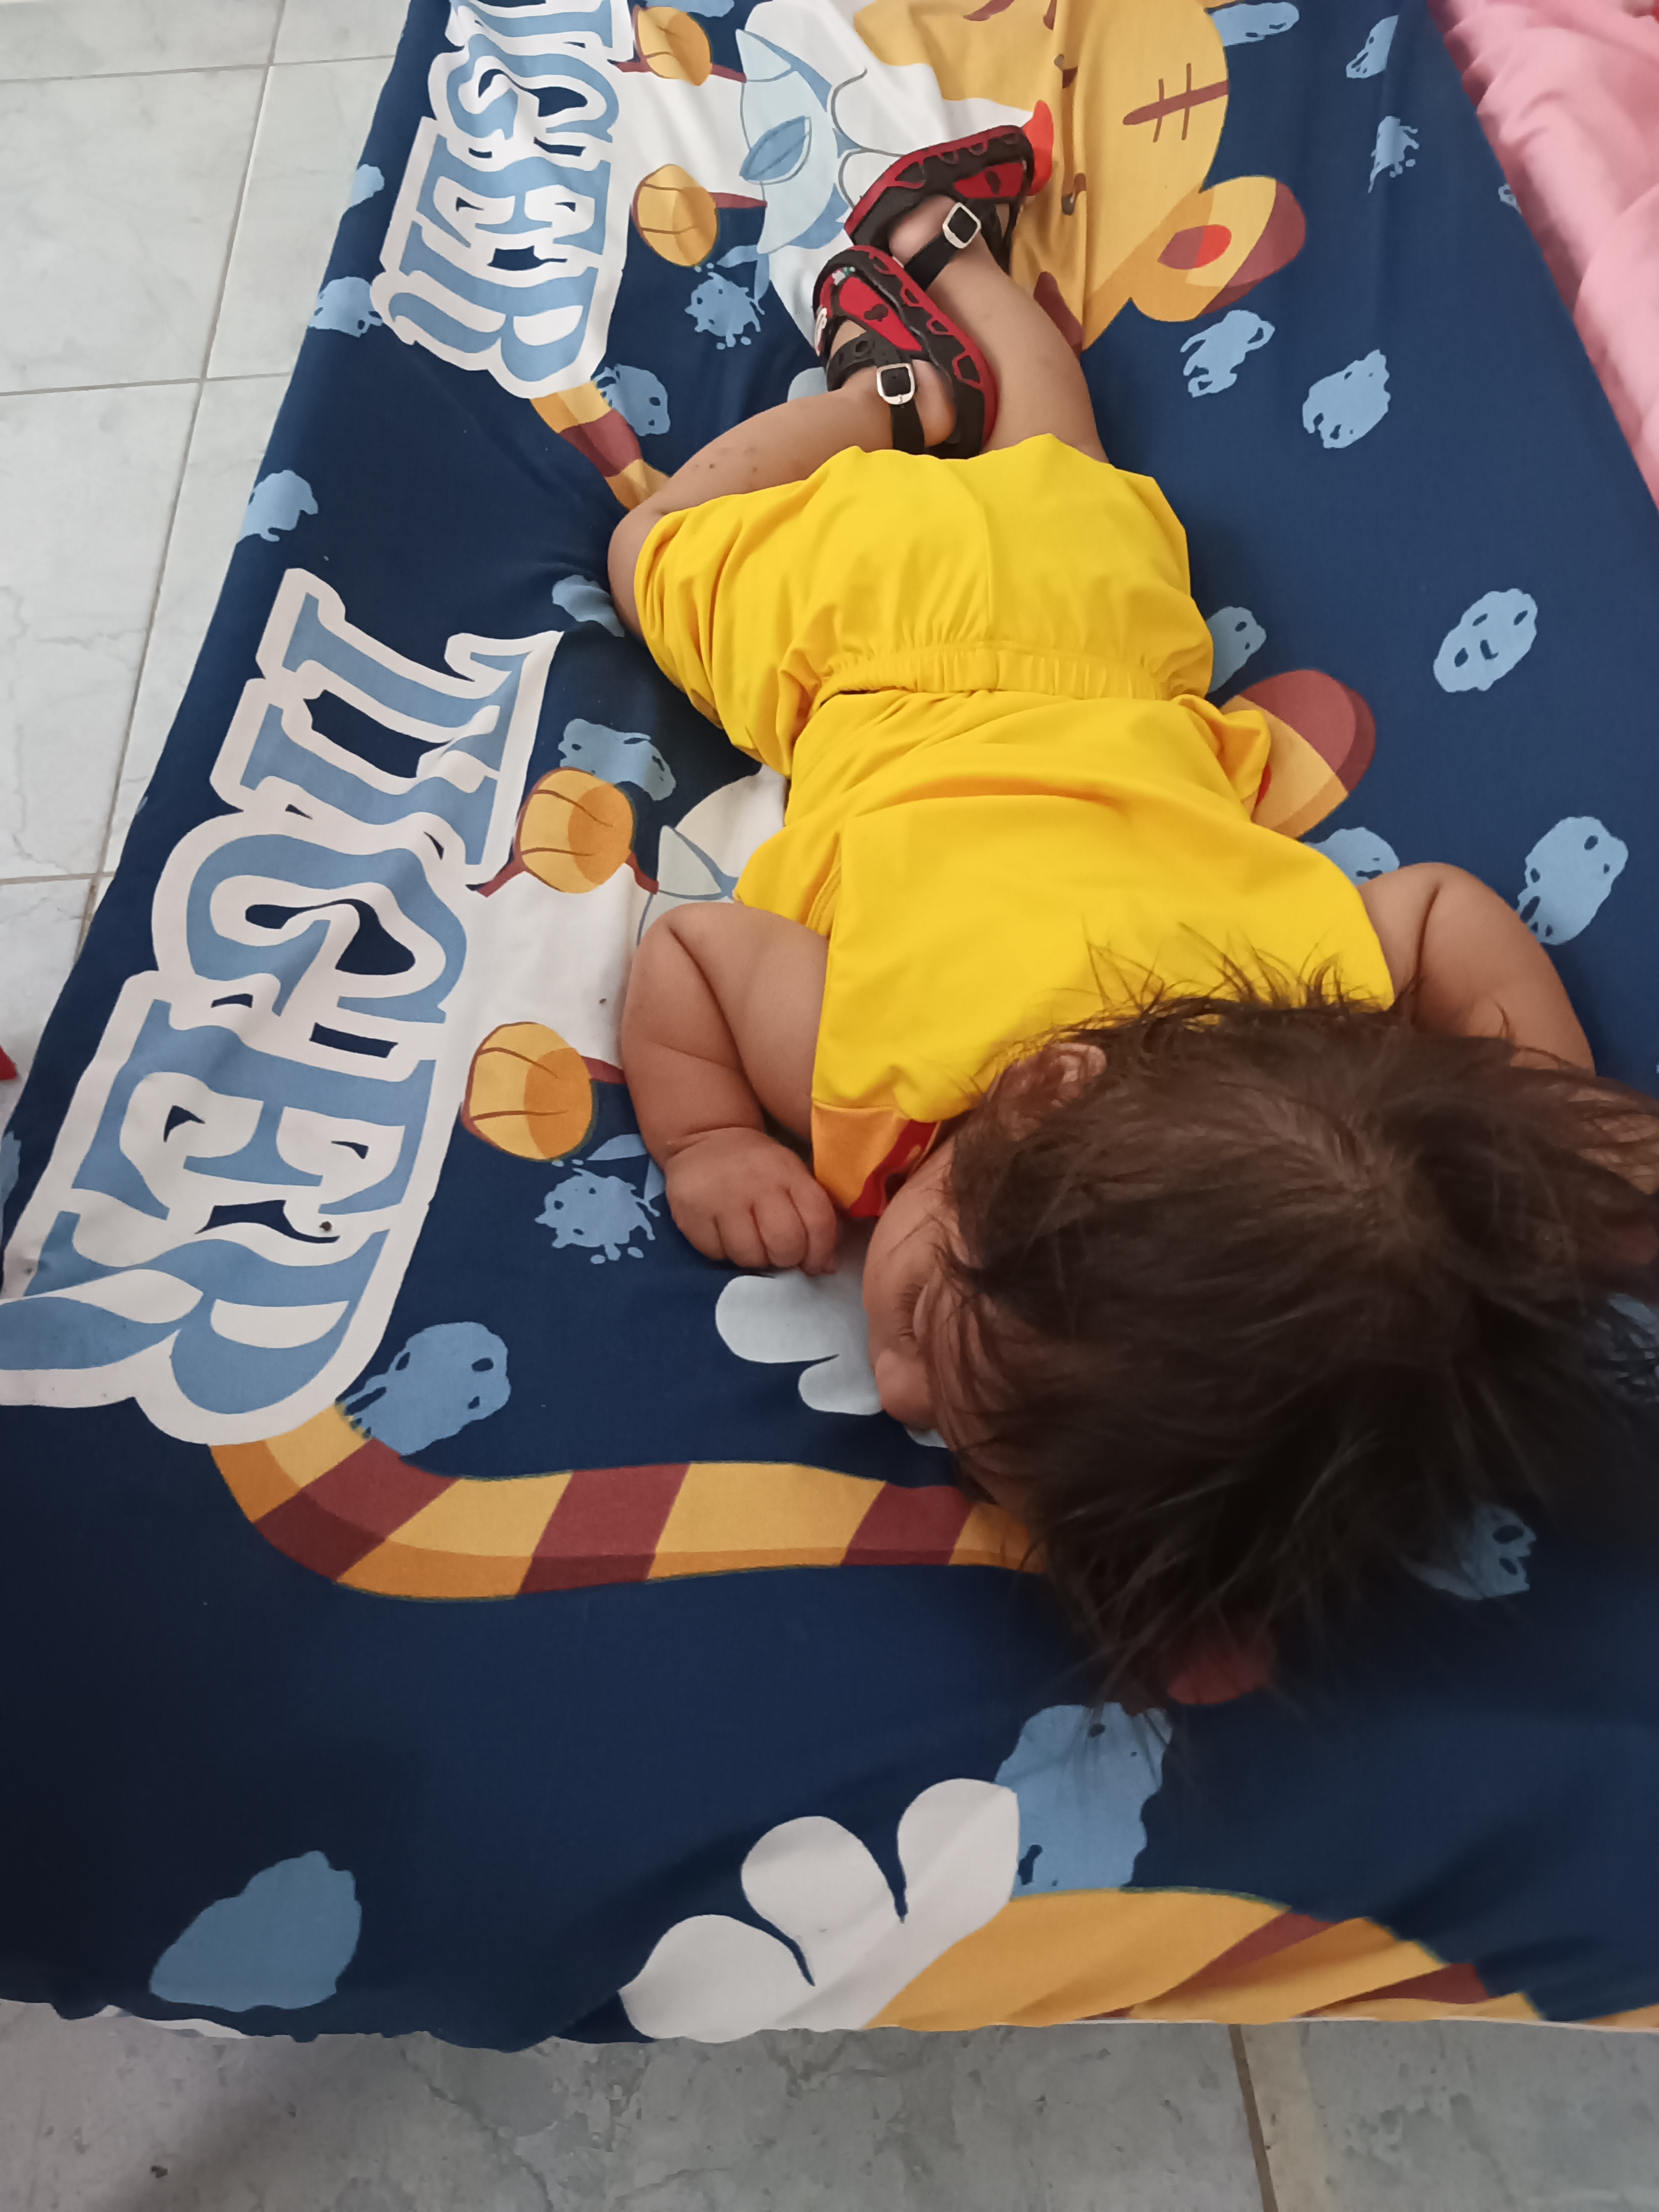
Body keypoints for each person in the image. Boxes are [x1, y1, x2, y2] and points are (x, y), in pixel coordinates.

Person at [610, 134, 1659, 1703]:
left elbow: (1444, 914)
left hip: (1103, 632)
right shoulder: (872, 1057)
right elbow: (687, 957)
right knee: (652, 543)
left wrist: (1553, 1122)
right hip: (870, 642)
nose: (896, 1385)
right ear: (1037, 1091)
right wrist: (708, 1137)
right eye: (920, 1317)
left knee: (1059, 440)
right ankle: (876, 404)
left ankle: (944, 258)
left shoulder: (1303, 998)